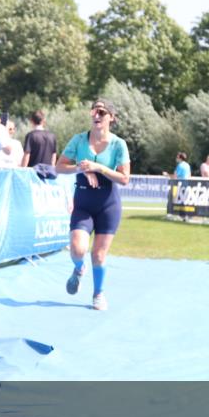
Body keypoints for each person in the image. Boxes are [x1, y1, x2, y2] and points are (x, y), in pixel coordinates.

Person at [56, 99, 131, 311]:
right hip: (83, 203)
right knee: (78, 250)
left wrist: (98, 168)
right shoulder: (79, 140)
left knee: (98, 254)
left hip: (108, 204)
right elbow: (59, 167)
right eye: (94, 111)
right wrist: (80, 169)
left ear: (111, 118)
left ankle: (98, 293)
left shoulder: (119, 144)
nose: (96, 115)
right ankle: (79, 269)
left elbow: (125, 178)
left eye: (102, 111)